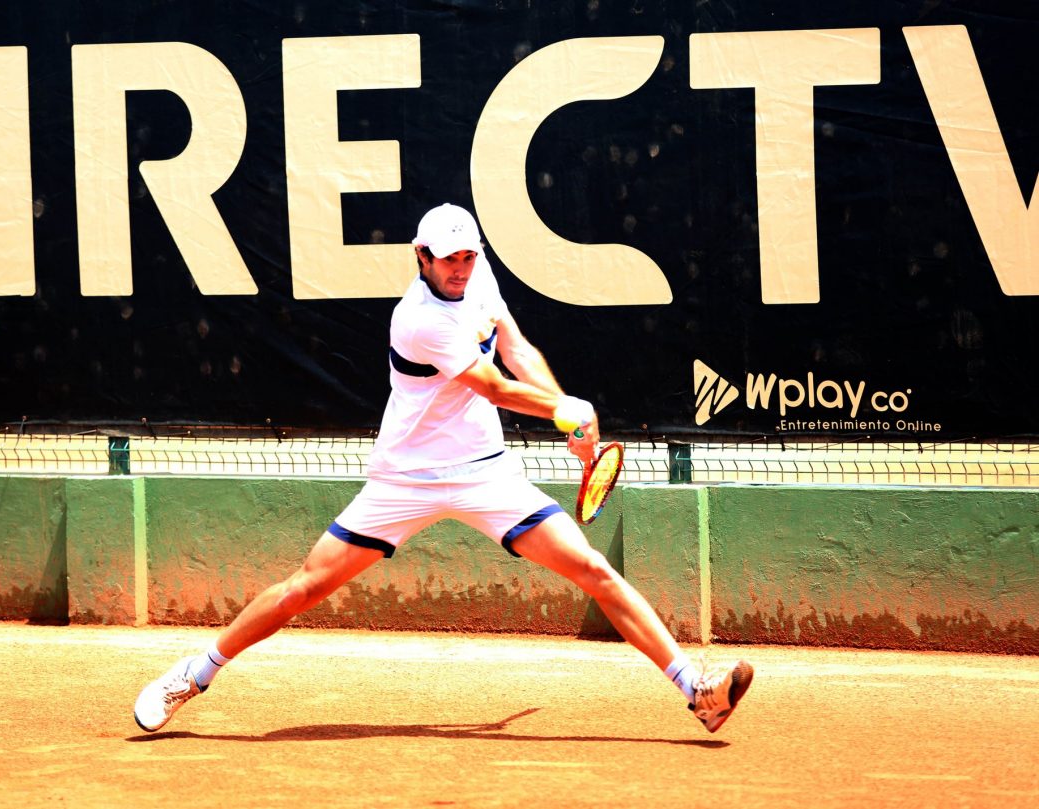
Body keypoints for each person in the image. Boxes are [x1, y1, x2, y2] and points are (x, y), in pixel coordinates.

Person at [134, 203, 753, 734]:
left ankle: (696, 691)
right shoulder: (419, 318)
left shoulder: (480, 286)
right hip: (406, 478)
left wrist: (570, 420)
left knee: (593, 569)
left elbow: (516, 351)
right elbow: (491, 385)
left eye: (469, 257)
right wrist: (566, 409)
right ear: (422, 257)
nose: (460, 269)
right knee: (307, 587)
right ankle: (192, 675)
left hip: (487, 474)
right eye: (448, 259)